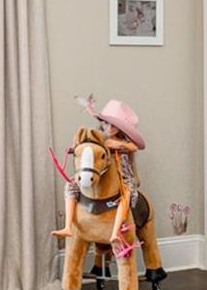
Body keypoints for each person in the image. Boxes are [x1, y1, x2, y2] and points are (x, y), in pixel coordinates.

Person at [52, 95, 146, 256]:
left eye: (114, 125)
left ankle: (115, 232)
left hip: (122, 177)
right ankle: (68, 226)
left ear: (121, 129)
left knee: (126, 193)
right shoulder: (98, 138)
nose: (109, 127)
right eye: (106, 122)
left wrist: (117, 144)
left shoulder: (124, 142)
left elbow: (134, 147)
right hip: (100, 176)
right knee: (70, 185)